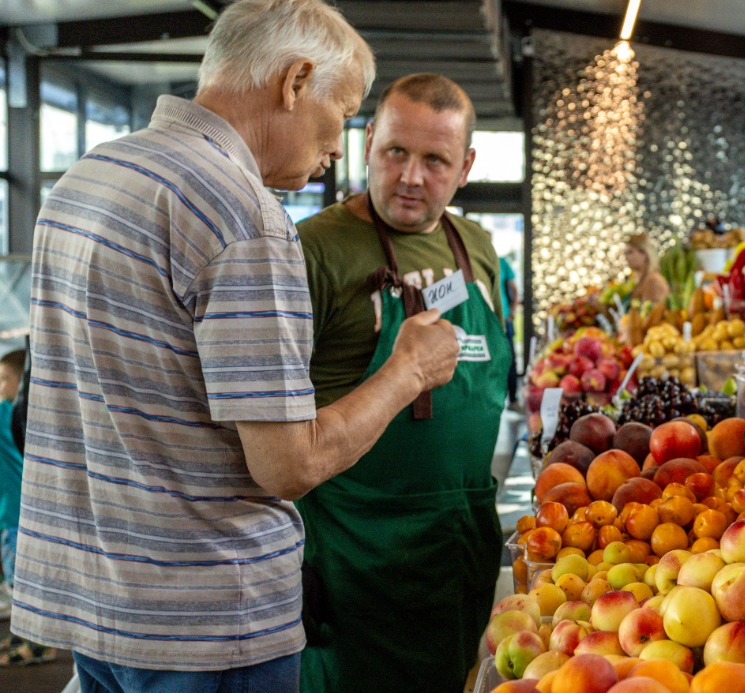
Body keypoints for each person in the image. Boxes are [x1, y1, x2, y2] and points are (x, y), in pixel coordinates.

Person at [11, 2, 459, 691]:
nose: (340, 145)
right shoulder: (242, 212)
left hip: (95, 603)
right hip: (208, 623)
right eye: (341, 112)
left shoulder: (89, 176)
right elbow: (288, 463)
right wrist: (407, 371)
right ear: (295, 81)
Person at [294, 73, 511, 692]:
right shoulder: (311, 250)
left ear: (466, 166)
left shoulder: (477, 246)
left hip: (458, 542)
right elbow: (266, 425)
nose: (411, 177)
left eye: (435, 160)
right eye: (396, 152)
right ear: (366, 144)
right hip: (355, 554)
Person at [0, 348, 53, 667]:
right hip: (12, 514)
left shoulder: (7, 413)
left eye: (4, 379)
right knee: (15, 582)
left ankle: (37, 644)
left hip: (18, 515)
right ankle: (22, 638)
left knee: (22, 583)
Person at [498, 252, 520, 407]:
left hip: (504, 320)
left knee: (510, 361)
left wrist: (512, 311)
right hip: (484, 321)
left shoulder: (501, 263)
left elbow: (514, 289)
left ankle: (513, 400)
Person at [625, 232, 670, 304]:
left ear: (644, 254)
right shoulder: (641, 280)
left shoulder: (654, 281)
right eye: (626, 253)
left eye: (630, 252)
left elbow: (655, 312)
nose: (626, 257)